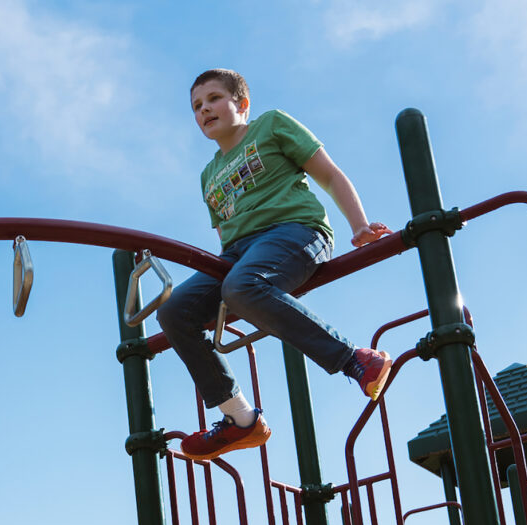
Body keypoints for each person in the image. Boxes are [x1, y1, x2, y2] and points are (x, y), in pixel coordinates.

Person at [156, 68, 394, 462]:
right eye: (196, 106)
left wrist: (360, 226)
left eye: (214, 99)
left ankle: (354, 359)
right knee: (174, 310)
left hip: (295, 230)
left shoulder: (270, 125)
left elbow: (330, 175)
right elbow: (225, 235)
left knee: (242, 287)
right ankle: (240, 419)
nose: (204, 110)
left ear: (242, 104)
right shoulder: (208, 174)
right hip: (239, 253)